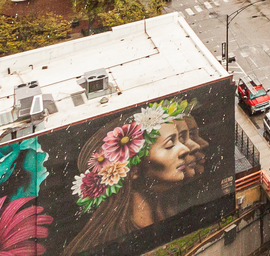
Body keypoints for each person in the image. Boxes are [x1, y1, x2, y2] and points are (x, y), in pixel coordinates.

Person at [62, 98, 209, 255]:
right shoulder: (109, 241)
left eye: (180, 139)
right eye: (170, 144)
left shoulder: (172, 212)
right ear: (133, 170)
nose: (186, 149)